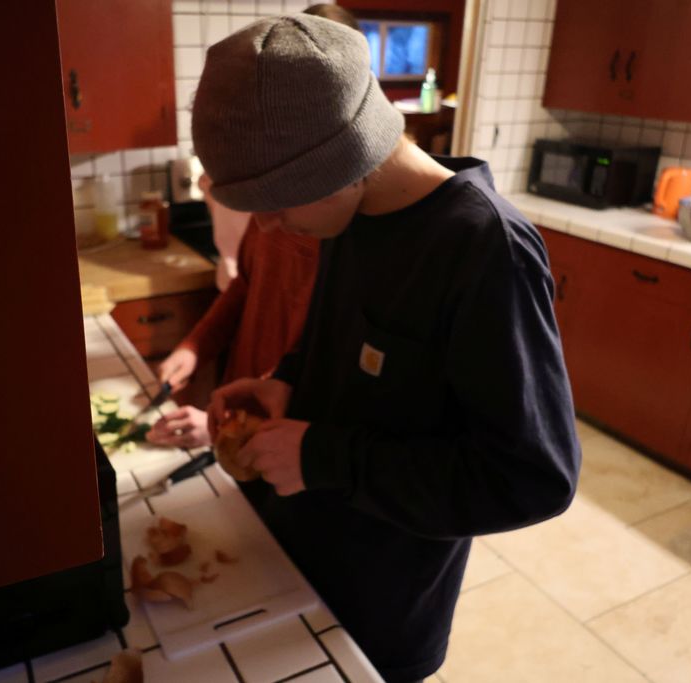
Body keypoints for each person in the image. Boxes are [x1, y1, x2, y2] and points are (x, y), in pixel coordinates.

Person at [192, 15, 581, 683]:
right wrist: (287, 380)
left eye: (278, 203)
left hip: (382, 601)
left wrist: (324, 455)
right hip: (300, 556)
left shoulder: (484, 251)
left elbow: (531, 478)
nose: (269, 224)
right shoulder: (351, 215)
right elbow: (344, 350)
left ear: (344, 164)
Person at [146, 5, 359, 450]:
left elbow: (319, 364)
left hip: (279, 431)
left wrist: (234, 426)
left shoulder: (340, 222)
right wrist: (194, 347)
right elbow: (246, 284)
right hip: (242, 399)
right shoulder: (274, 199)